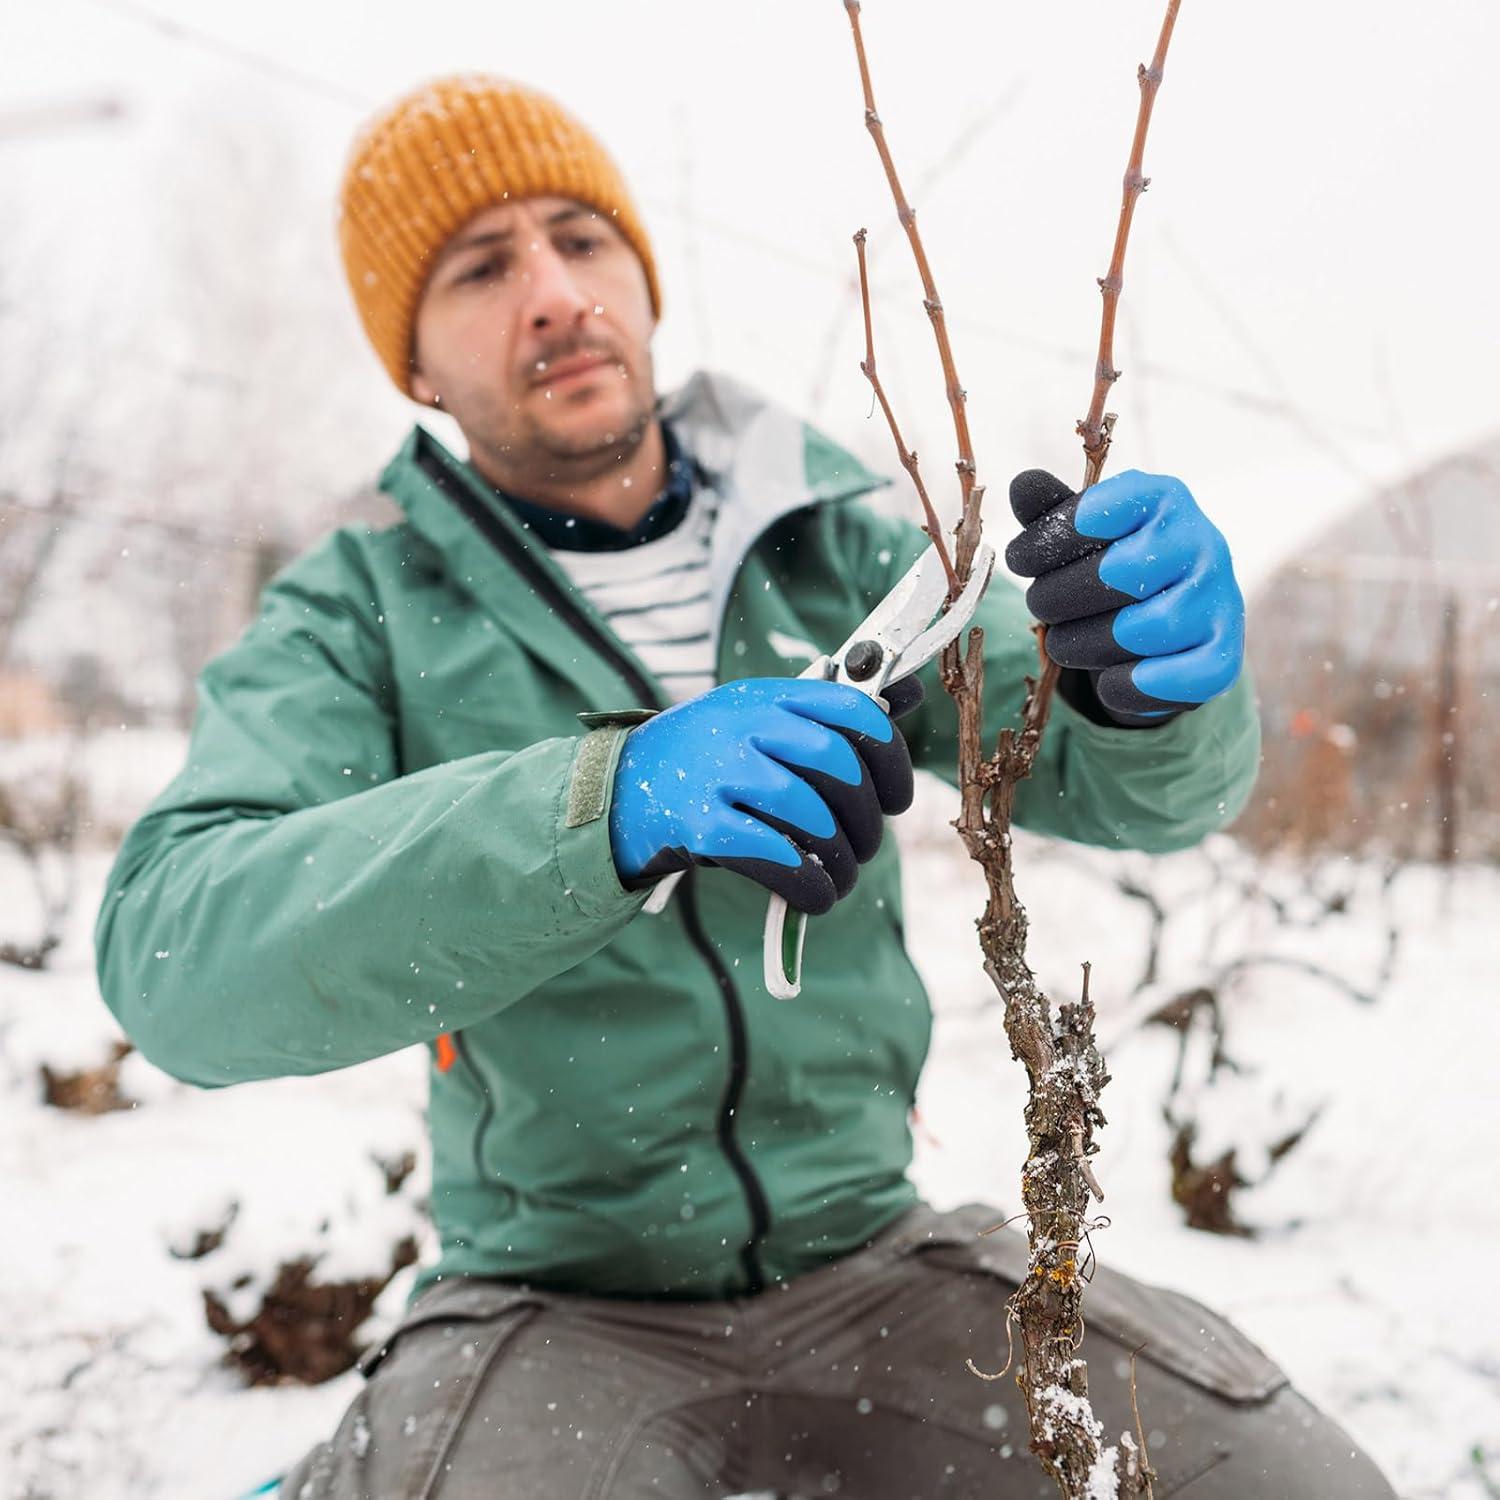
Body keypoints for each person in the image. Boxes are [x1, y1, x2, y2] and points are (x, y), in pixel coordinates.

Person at [96, 76, 1393, 1499]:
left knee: (1278, 1482)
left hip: (883, 1269)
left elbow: (1140, 795)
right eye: (481, 267)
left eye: (583, 241)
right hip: (554, 1303)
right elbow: (176, 956)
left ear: (640, 283)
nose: (551, 292)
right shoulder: (357, 615)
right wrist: (609, 801)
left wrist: (1156, 684)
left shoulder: (838, 548)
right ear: (413, 362)